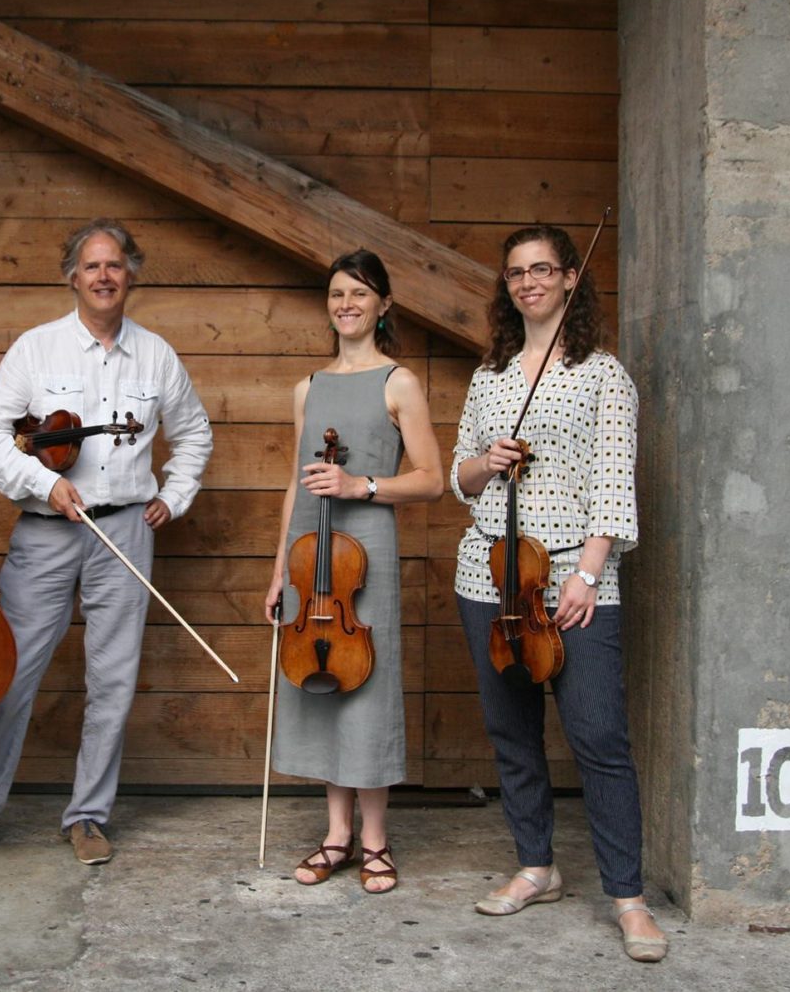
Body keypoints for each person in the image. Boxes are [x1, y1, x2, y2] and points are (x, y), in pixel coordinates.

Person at [0, 218, 213, 868]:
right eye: (91, 266)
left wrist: (174, 494)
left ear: (131, 273)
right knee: (10, 672)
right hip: (47, 529)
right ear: (72, 276)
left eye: (115, 265)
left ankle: (87, 815)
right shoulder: (37, 349)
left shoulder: (157, 355)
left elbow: (194, 434)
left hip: (126, 528)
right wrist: (40, 482)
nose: (104, 276)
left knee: (112, 678)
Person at [450, 224, 667, 962]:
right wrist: (486, 460)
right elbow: (459, 477)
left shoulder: (604, 374)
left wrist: (587, 575)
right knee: (513, 733)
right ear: (506, 285)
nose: (529, 281)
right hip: (489, 572)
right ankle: (537, 866)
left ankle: (629, 898)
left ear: (571, 278)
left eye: (543, 269)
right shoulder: (492, 375)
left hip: (574, 578)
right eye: (516, 271)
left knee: (600, 737)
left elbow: (613, 482)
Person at [262, 249, 442, 894]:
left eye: (360, 294)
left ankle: (375, 841)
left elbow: (431, 480)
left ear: (384, 304)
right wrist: (281, 566)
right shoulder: (308, 387)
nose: (347, 304)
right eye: (337, 293)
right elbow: (295, 482)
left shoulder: (399, 382)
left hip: (366, 551)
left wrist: (359, 483)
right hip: (312, 559)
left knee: (365, 687)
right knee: (323, 684)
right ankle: (336, 836)